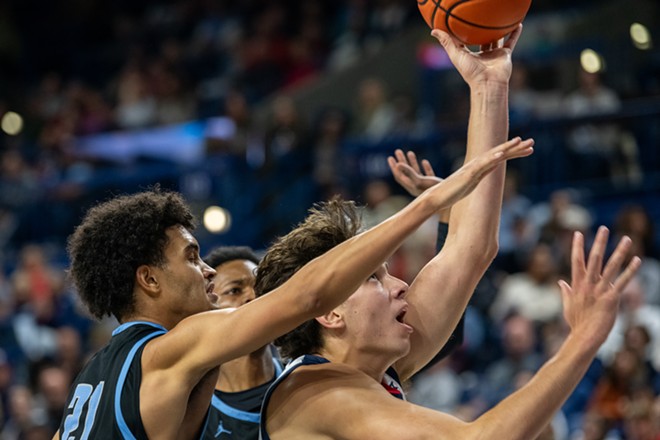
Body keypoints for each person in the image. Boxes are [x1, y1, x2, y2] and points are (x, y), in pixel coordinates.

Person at [255, 27, 642, 440]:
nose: (401, 285)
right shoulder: (316, 394)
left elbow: (471, 248)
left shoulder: (373, 371)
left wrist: (488, 86)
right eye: (374, 278)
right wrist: (582, 340)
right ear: (329, 313)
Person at [53, 127, 532, 438]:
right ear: (149, 279)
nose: (210, 274)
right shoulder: (171, 351)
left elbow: (466, 261)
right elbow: (308, 294)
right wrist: (423, 209)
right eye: (193, 257)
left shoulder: (89, 384)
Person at [201, 246, 282, 439]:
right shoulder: (190, 411)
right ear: (205, 309)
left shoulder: (306, 383)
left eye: (259, 288)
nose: (253, 297)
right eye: (234, 290)